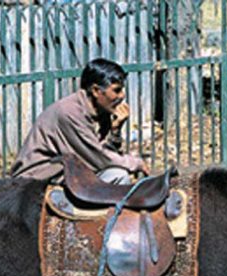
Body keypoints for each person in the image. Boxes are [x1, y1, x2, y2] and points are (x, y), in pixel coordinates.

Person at [11, 58, 148, 184]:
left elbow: (104, 152)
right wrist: (135, 163)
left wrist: (115, 130)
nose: (122, 96)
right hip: (37, 179)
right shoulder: (70, 112)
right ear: (95, 90)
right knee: (118, 175)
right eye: (117, 90)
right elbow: (99, 158)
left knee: (116, 173)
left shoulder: (100, 110)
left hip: (68, 172)